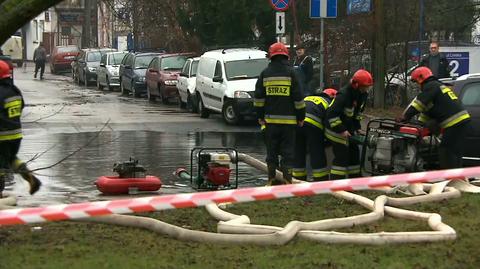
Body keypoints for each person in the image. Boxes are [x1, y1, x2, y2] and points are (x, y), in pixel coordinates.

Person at [397, 66, 471, 169]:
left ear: (421, 78)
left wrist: (404, 117)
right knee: (455, 151)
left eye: (416, 82)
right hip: (462, 121)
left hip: (455, 123)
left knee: (446, 151)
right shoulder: (437, 86)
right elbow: (426, 113)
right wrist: (417, 126)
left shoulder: (430, 86)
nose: (417, 86)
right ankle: (457, 177)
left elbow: (419, 104)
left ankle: (450, 179)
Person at [254, 42, 305, 185]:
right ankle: (287, 181)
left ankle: (271, 180)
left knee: (272, 152)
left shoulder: (265, 74)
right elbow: (298, 99)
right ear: (286, 56)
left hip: (270, 123)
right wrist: (301, 117)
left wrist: (260, 116)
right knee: (288, 153)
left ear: (271, 57)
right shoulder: (292, 73)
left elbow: (258, 99)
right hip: (289, 123)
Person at [0, 60, 42, 197]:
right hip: (16, 135)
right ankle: (30, 178)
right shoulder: (14, 90)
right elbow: (21, 106)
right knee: (12, 159)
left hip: (2, 136)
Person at [325, 69, 373, 179]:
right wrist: (342, 130)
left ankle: (355, 180)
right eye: (365, 86)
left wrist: (357, 128)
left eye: (368, 87)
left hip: (348, 128)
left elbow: (357, 114)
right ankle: (337, 183)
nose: (366, 89)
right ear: (356, 85)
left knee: (354, 153)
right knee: (342, 156)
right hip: (334, 130)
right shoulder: (344, 95)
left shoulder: (362, 95)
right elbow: (331, 115)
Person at [293, 88, 337, 181]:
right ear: (333, 97)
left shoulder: (308, 97)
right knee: (316, 151)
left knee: (298, 150)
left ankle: (298, 178)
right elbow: (329, 122)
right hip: (313, 125)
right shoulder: (329, 102)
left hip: (296, 123)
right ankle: (320, 179)